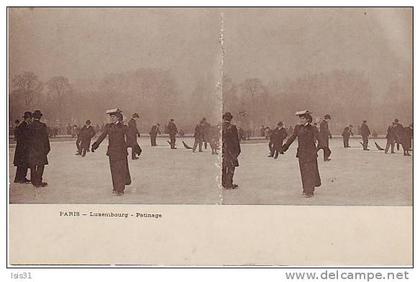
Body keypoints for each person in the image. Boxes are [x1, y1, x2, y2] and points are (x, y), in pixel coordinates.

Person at [91, 109, 131, 196]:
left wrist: (134, 146)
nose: (112, 119)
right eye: (111, 117)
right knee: (114, 170)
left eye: (114, 117)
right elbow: (102, 136)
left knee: (121, 170)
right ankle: (116, 187)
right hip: (112, 152)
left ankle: (120, 189)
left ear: (118, 118)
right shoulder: (108, 127)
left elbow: (130, 137)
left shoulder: (123, 127)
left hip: (121, 152)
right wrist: (96, 144)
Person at [282, 110, 321, 198]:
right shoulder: (297, 128)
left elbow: (320, 139)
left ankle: (310, 191)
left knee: (310, 172)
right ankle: (305, 188)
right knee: (303, 171)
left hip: (311, 153)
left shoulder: (313, 128)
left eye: (303, 118)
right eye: (300, 118)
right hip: (301, 153)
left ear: (308, 119)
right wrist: (285, 147)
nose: (301, 120)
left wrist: (318, 149)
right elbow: (292, 137)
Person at [27, 110, 50, 188]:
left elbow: (27, 139)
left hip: (32, 149)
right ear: (40, 117)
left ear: (33, 117)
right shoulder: (43, 126)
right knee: (40, 165)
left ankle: (34, 181)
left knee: (33, 165)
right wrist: (47, 148)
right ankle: (39, 181)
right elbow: (45, 138)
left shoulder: (29, 126)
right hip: (41, 149)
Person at [222, 112, 241, 189]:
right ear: (230, 119)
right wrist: (237, 151)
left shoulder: (220, 126)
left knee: (223, 167)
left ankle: (223, 182)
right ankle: (229, 183)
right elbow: (235, 140)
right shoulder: (232, 127)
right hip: (230, 150)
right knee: (231, 167)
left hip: (222, 150)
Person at [13, 112, 32, 183]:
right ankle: (20, 178)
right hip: (23, 148)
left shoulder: (23, 125)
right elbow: (23, 137)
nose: (31, 119)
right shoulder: (24, 126)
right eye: (30, 118)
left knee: (22, 164)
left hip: (22, 148)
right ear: (27, 118)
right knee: (23, 164)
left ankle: (20, 178)